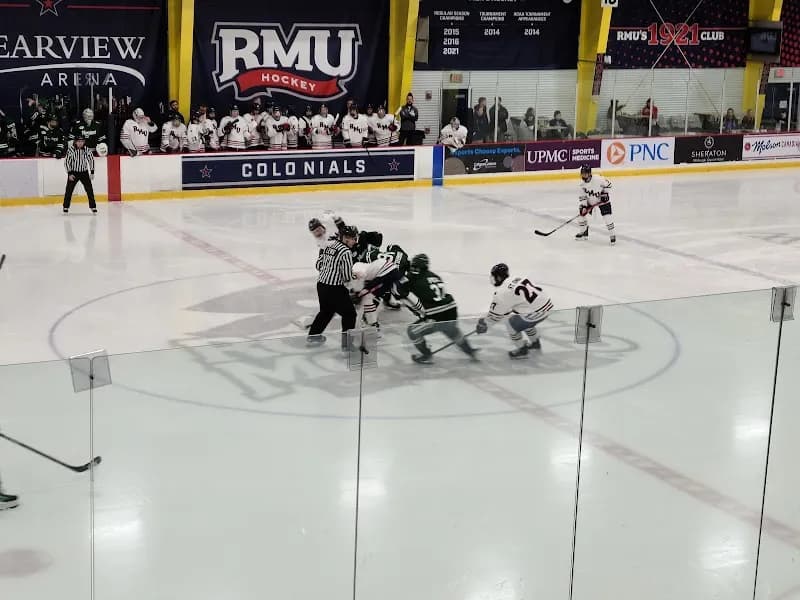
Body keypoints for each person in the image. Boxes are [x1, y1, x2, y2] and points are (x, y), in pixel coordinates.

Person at [398, 253, 477, 364]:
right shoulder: (435, 276)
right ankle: (470, 351)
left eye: (415, 266)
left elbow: (399, 289)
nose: (413, 269)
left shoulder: (413, 276)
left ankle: (426, 355)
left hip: (437, 315)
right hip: (451, 310)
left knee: (412, 331)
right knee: (451, 331)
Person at [475, 263, 553, 359]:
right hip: (547, 306)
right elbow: (513, 303)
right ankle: (535, 343)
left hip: (537, 311)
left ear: (498, 277)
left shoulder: (501, 293)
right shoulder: (516, 278)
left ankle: (522, 350)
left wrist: (485, 324)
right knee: (525, 322)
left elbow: (495, 316)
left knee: (511, 324)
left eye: (494, 276)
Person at [308, 226, 358, 350]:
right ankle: (347, 345)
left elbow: (318, 265)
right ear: (346, 238)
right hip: (335, 289)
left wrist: (330, 270)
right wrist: (354, 276)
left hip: (321, 285)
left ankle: (313, 336)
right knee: (350, 314)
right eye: (353, 239)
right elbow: (346, 276)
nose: (355, 241)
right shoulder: (346, 252)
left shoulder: (329, 246)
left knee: (326, 311)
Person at [350, 255, 401, 334]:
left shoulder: (355, 271)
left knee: (366, 297)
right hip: (389, 270)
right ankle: (373, 323)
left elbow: (360, 290)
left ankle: (373, 324)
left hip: (385, 273)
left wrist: (357, 295)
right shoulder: (357, 267)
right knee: (369, 296)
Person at [575, 164, 615, 245]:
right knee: (581, 215)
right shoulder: (581, 185)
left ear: (589, 173)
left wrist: (604, 194)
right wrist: (584, 206)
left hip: (602, 201)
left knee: (607, 218)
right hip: (591, 201)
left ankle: (612, 235)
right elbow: (583, 197)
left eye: (585, 173)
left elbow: (609, 185)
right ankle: (584, 232)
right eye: (582, 173)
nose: (583, 175)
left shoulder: (599, 179)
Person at [62, 135, 96, 214]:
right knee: (69, 190)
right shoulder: (71, 150)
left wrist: (92, 172)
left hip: (84, 173)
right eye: (79, 141)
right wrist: (69, 173)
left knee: (89, 190)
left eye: (82, 141)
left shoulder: (87, 149)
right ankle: (65, 206)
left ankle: (93, 207)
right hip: (74, 172)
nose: (80, 143)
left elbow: (91, 160)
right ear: (75, 142)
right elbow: (67, 162)